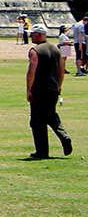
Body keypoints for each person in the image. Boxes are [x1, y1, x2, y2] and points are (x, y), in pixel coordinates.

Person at [27, 24, 72, 159]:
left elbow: (31, 72)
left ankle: (42, 151)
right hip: (53, 88)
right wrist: (59, 85)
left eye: (32, 34)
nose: (30, 36)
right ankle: (64, 136)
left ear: (39, 35)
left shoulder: (35, 50)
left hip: (39, 90)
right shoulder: (55, 49)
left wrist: (29, 90)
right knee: (51, 115)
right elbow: (61, 70)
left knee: (37, 121)